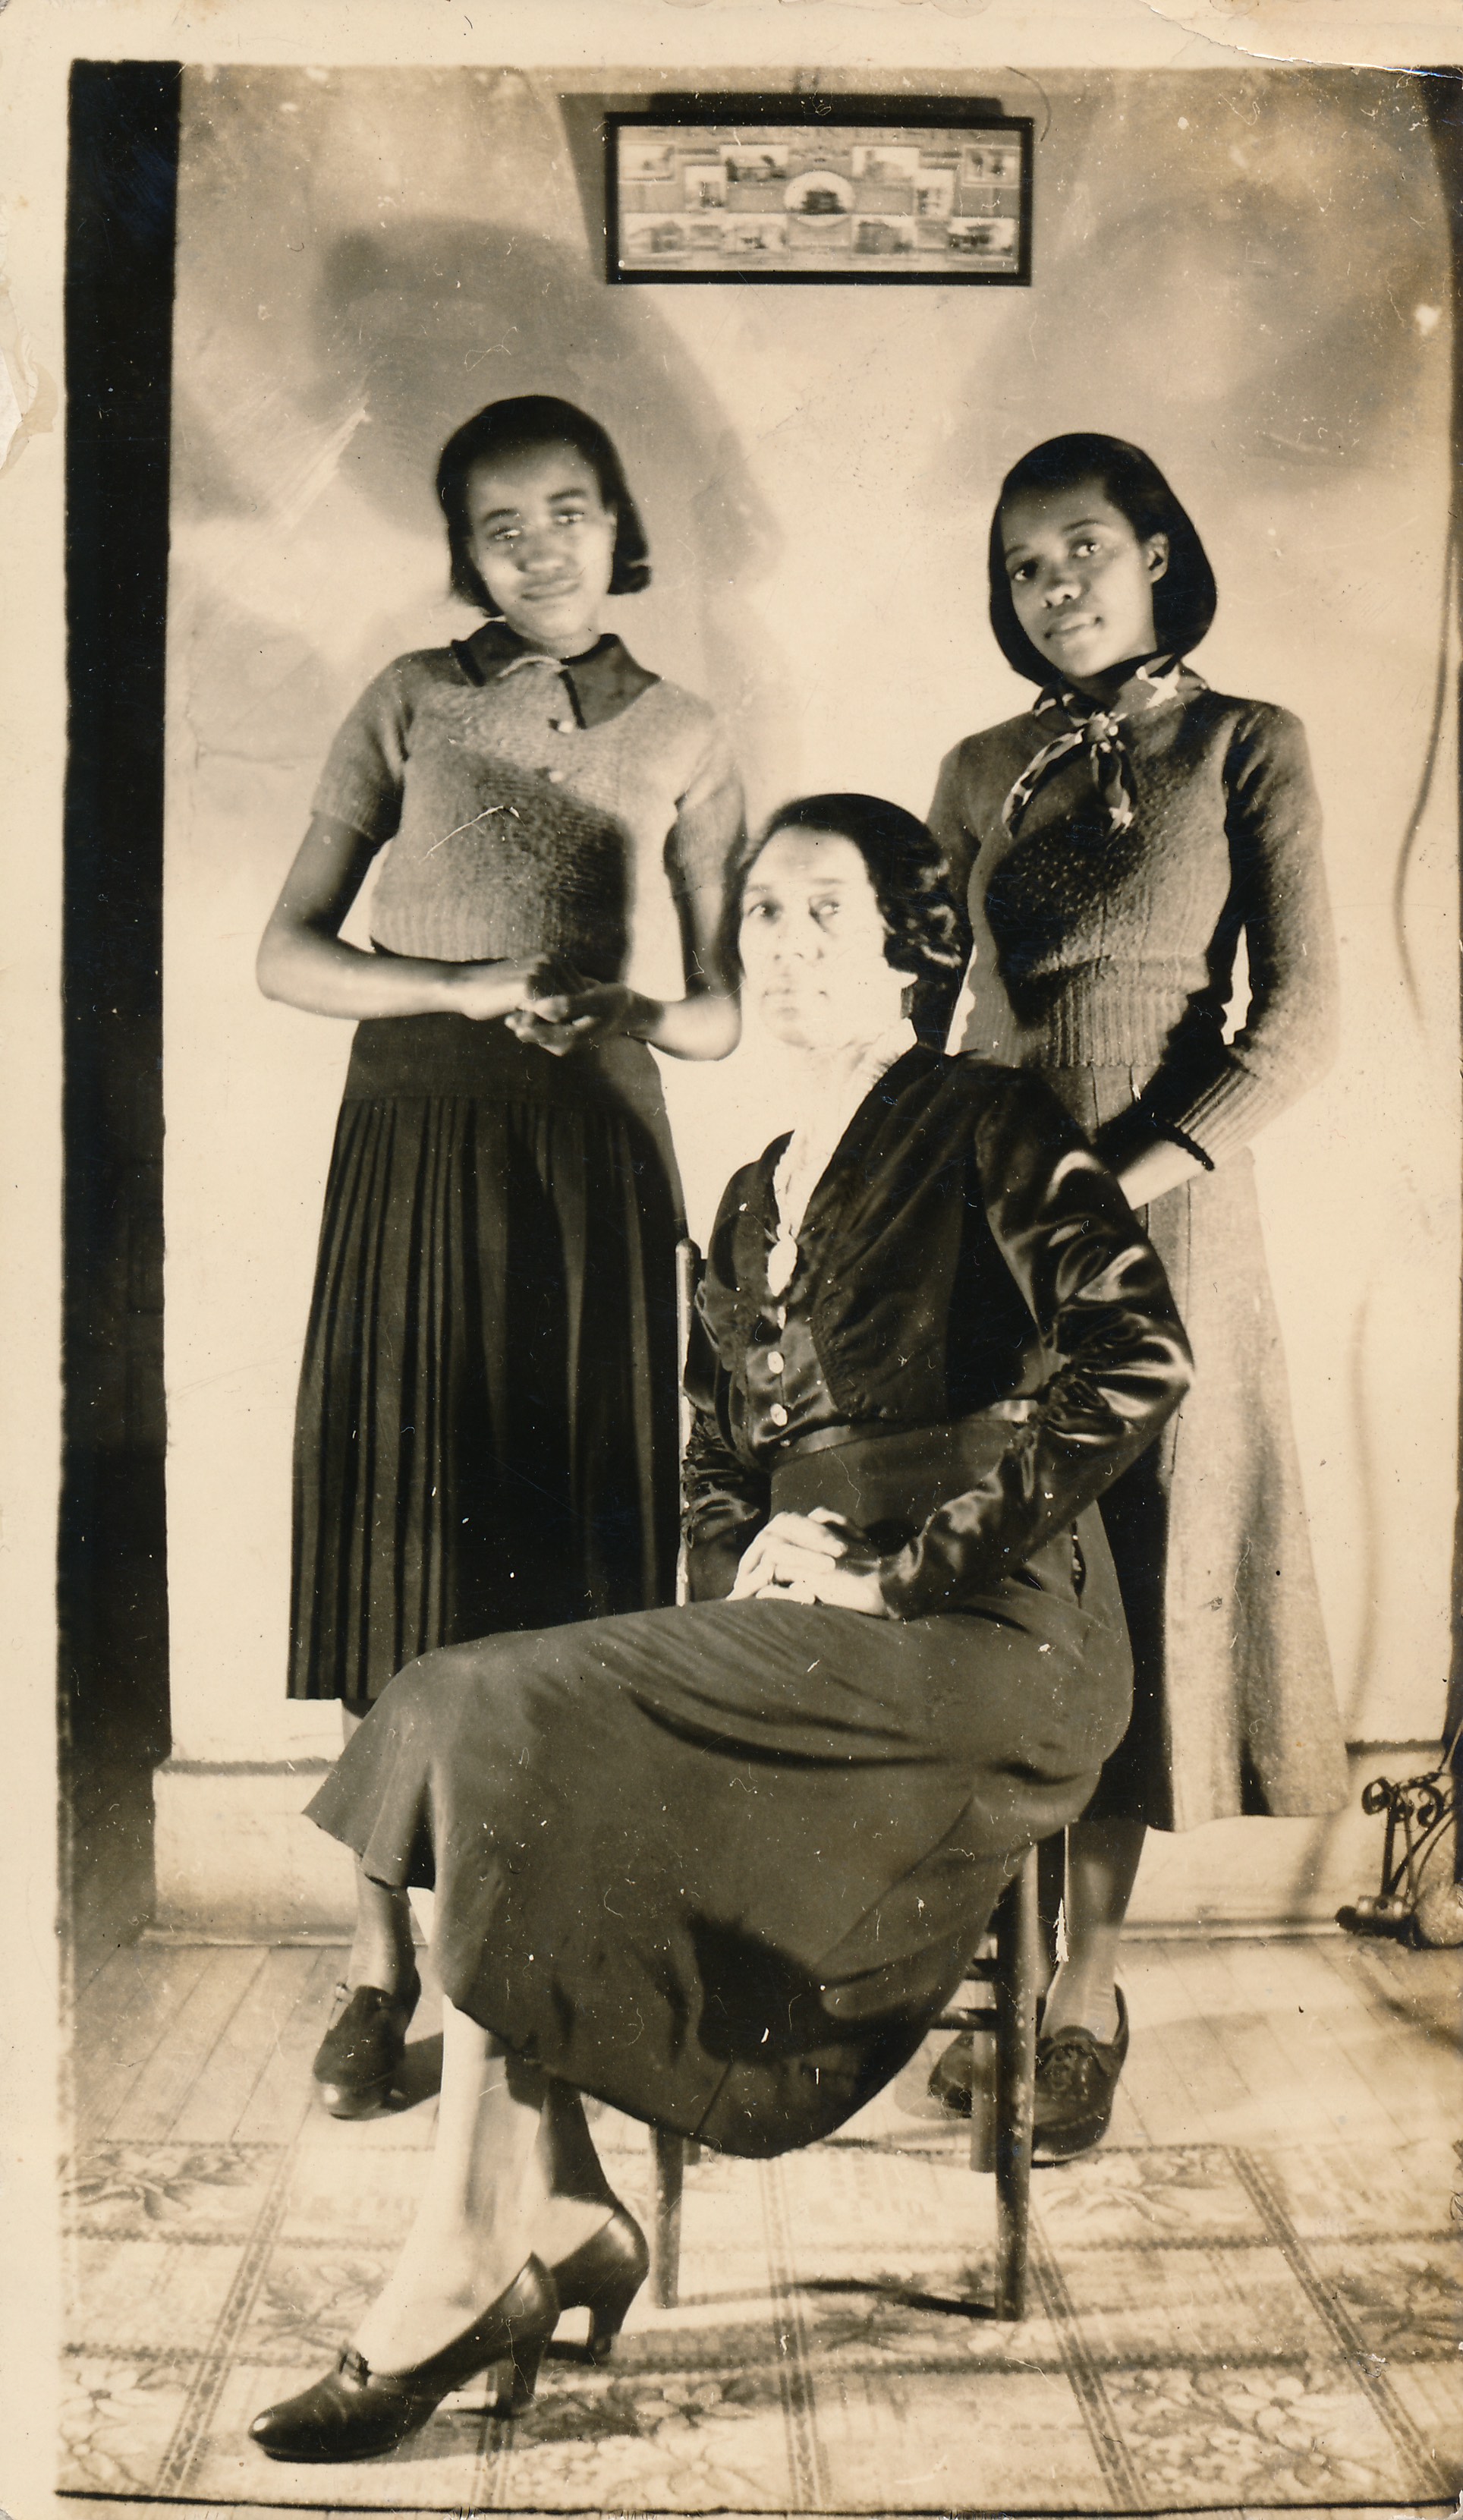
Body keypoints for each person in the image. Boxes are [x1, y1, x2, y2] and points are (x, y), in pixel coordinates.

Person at [248, 793, 1192, 2465]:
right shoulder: (752, 1194)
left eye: (826, 911)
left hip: (990, 1636)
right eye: (761, 911)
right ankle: (543, 2208)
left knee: (501, 1709)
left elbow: (1135, 1358)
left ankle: (493, 2247)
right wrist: (753, 1547)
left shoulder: (988, 1117)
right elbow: (713, 1460)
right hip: (818, 1631)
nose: (784, 940)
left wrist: (900, 1571)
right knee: (468, 1705)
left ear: (914, 946)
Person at [256, 395, 744, 2118]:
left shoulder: (686, 727)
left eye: (569, 510)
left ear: (622, 524)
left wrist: (624, 1006)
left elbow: (719, 1011)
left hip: (592, 1157)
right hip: (414, 1137)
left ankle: (559, 1960)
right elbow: (287, 955)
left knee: (584, 1561)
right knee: (398, 1548)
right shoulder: (408, 698)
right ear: (464, 549)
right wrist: (464, 988)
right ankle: (376, 1966)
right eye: (500, 523)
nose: (540, 546)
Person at [923, 433, 1348, 2156]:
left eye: (1084, 548)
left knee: (1135, 1599)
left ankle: (1083, 1997)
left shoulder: (1250, 743)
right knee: (998, 1589)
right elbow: (932, 1005)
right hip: (989, 1216)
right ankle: (996, 1968)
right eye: (1024, 566)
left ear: (1159, 551)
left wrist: (1124, 1183)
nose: (1056, 587)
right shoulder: (978, 767)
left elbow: (1299, 1026)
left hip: (1165, 1230)